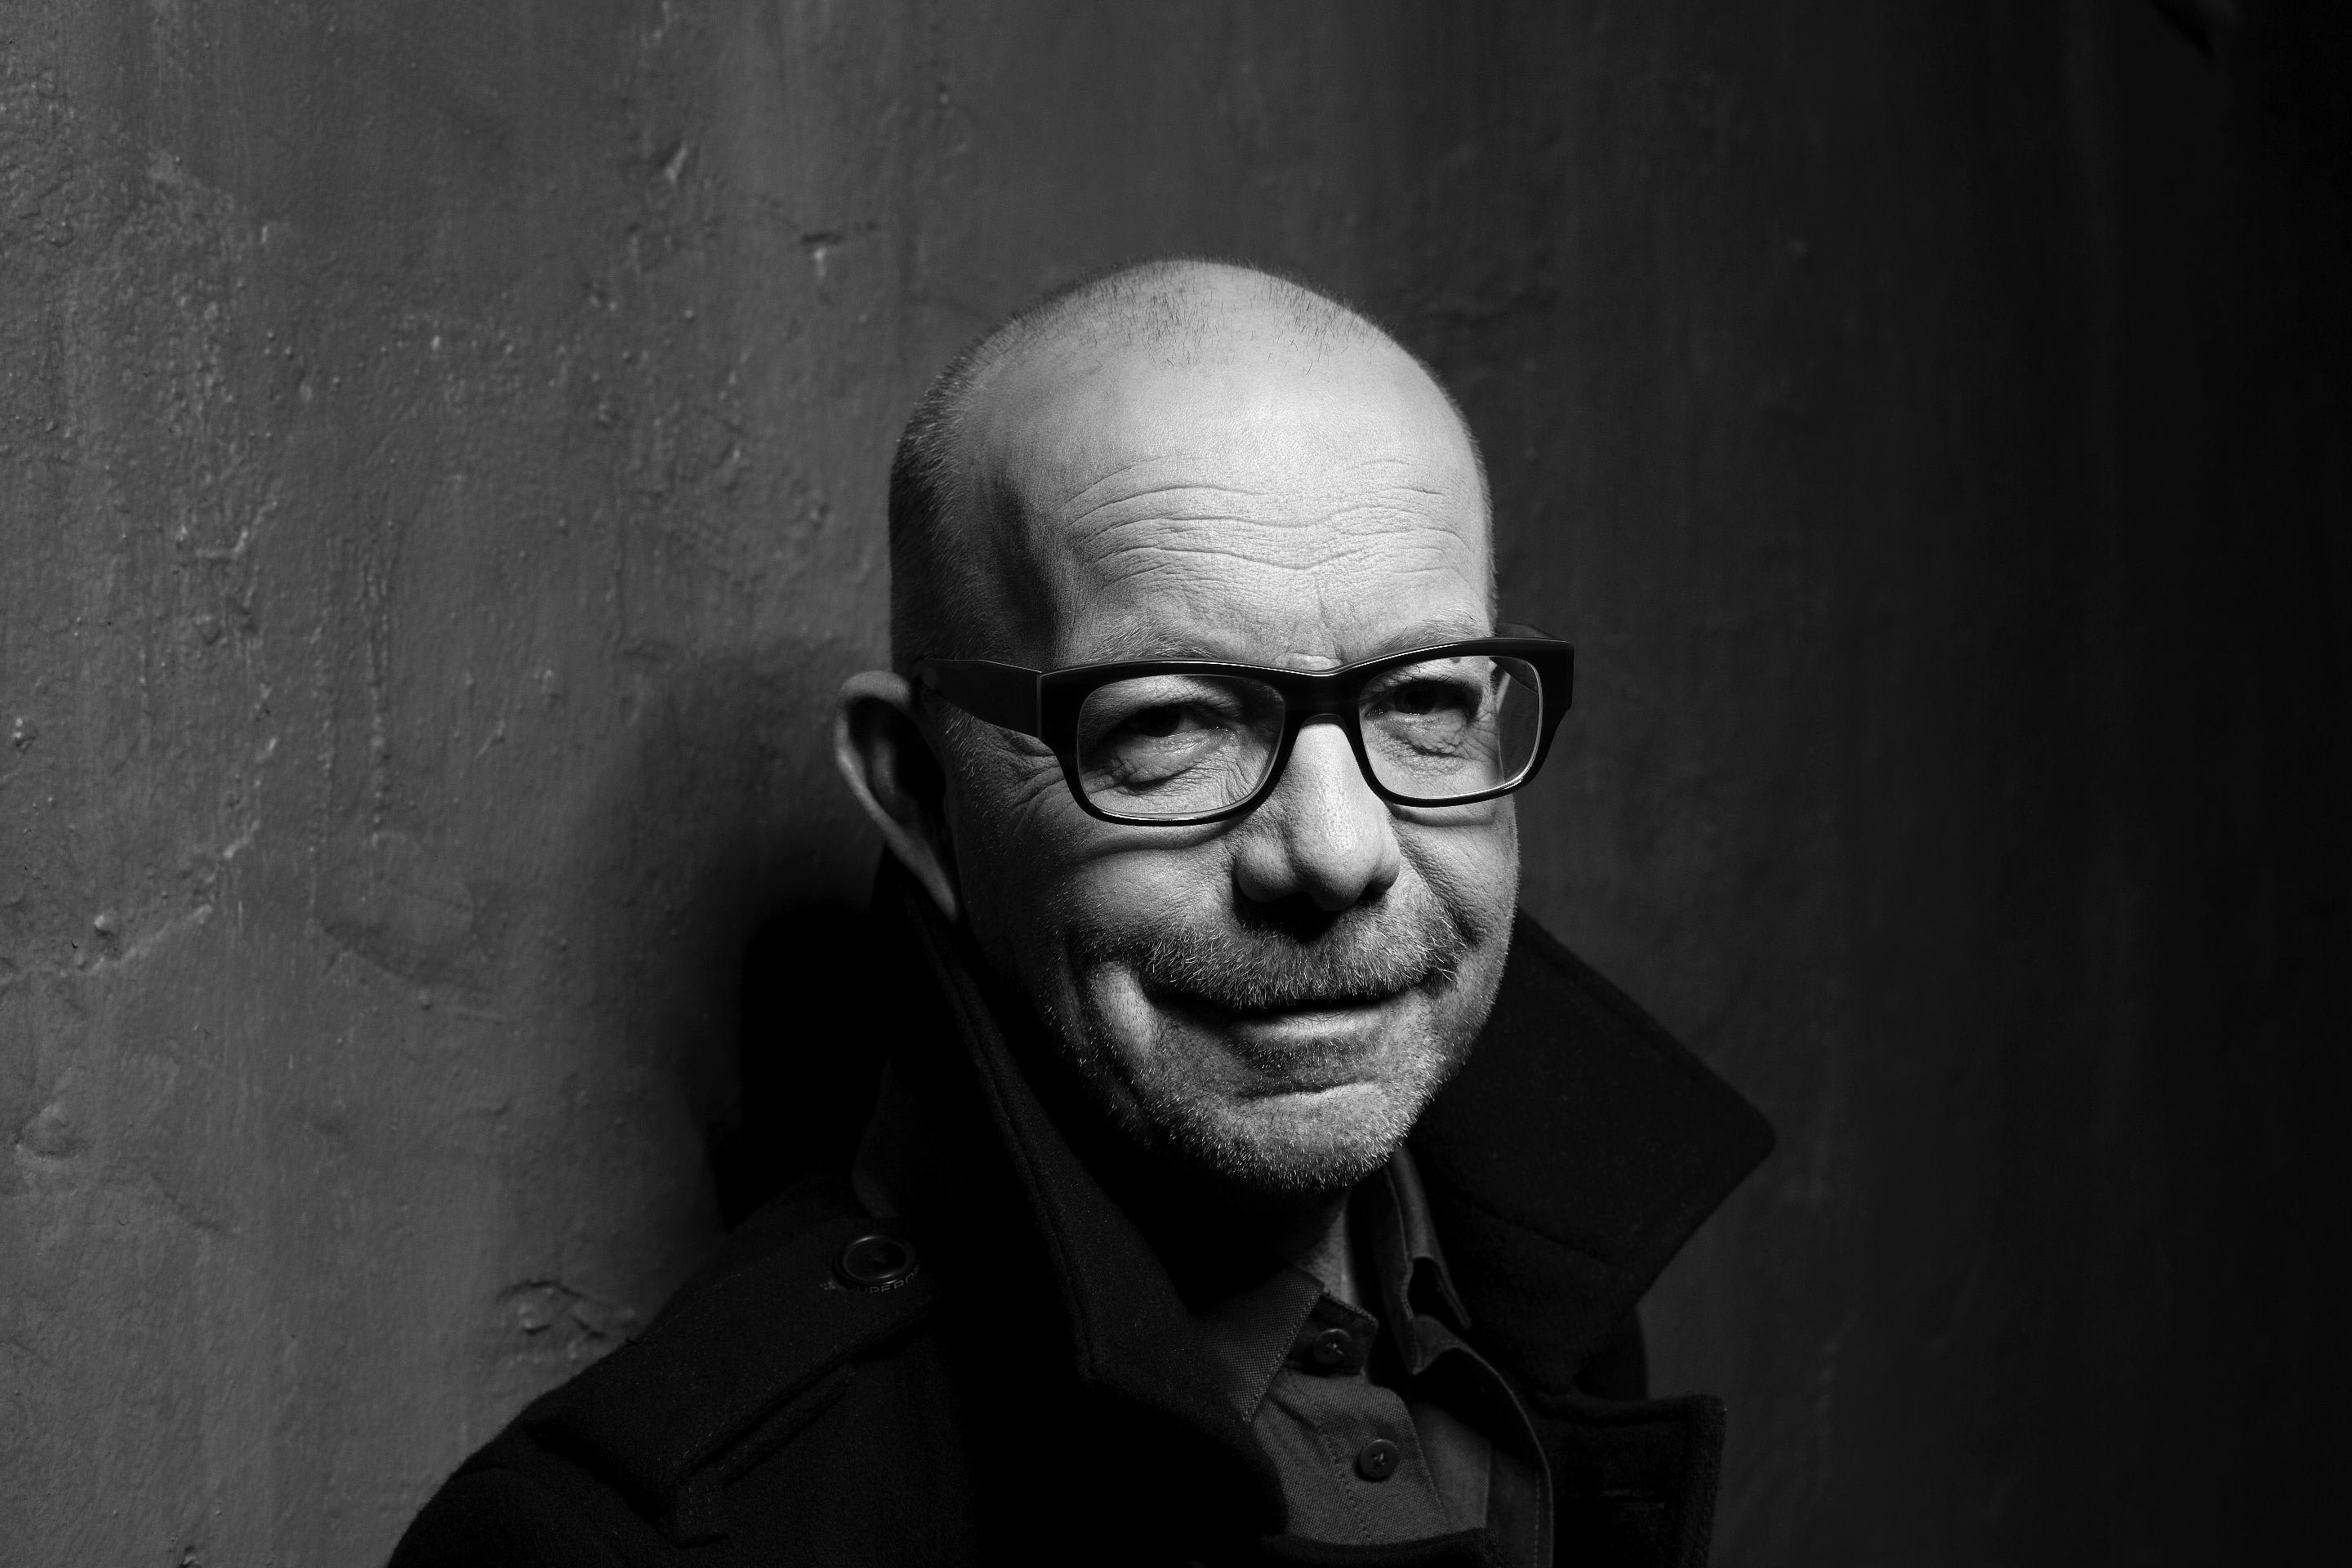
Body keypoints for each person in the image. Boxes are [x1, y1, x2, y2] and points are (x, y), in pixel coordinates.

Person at [390, 260, 1772, 1568]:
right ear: (922, 793)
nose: (1338, 850)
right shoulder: (627, 1546)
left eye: (1423, 701)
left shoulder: (1539, 1294)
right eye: (1170, 724)